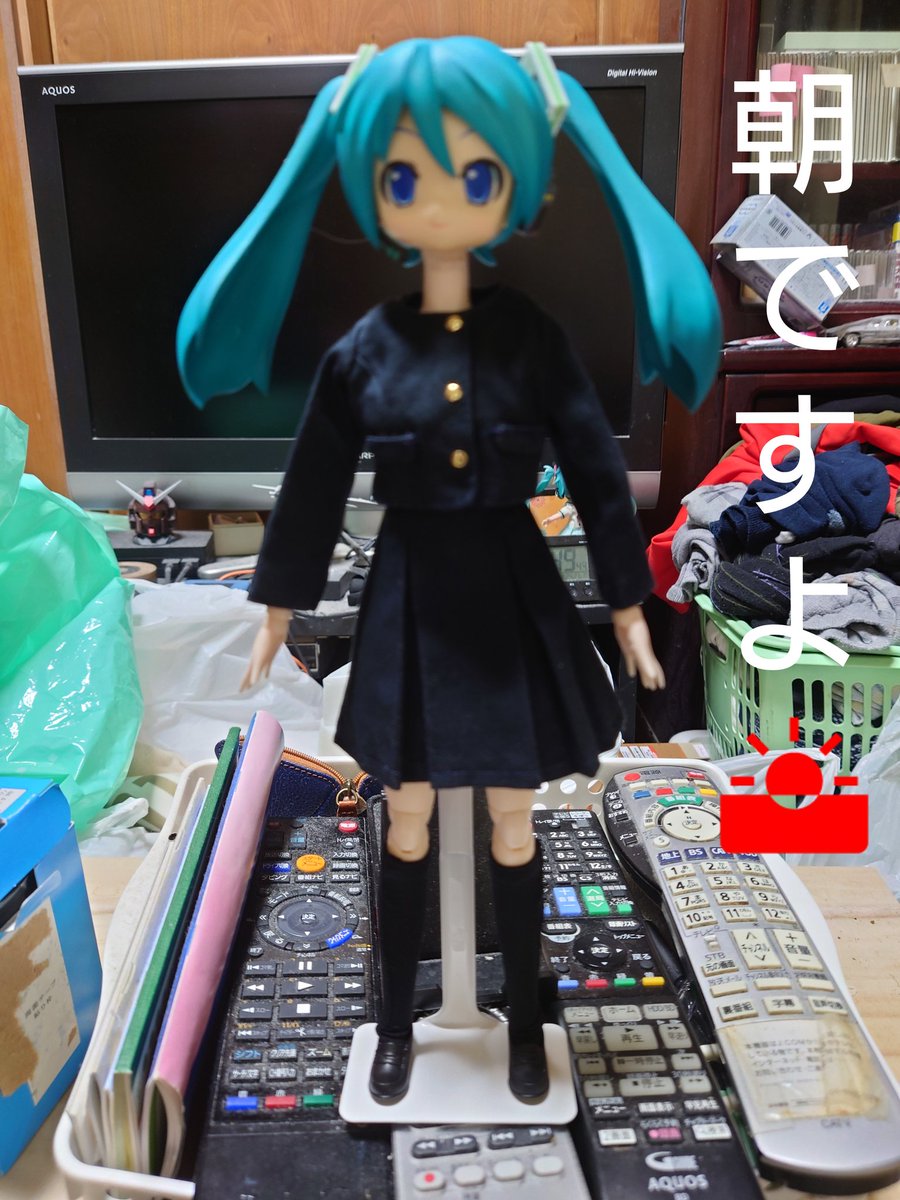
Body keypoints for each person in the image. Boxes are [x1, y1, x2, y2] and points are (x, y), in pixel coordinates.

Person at [177, 36, 721, 1105]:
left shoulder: (532, 339)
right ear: (371, 187)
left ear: (520, 183)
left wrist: (628, 604)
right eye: (403, 175)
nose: (437, 199)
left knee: (519, 821)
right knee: (408, 815)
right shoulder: (365, 351)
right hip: (410, 602)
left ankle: (524, 1022)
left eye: (475, 175)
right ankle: (394, 1025)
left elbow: (596, 472)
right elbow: (315, 477)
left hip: (513, 600)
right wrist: (277, 604)